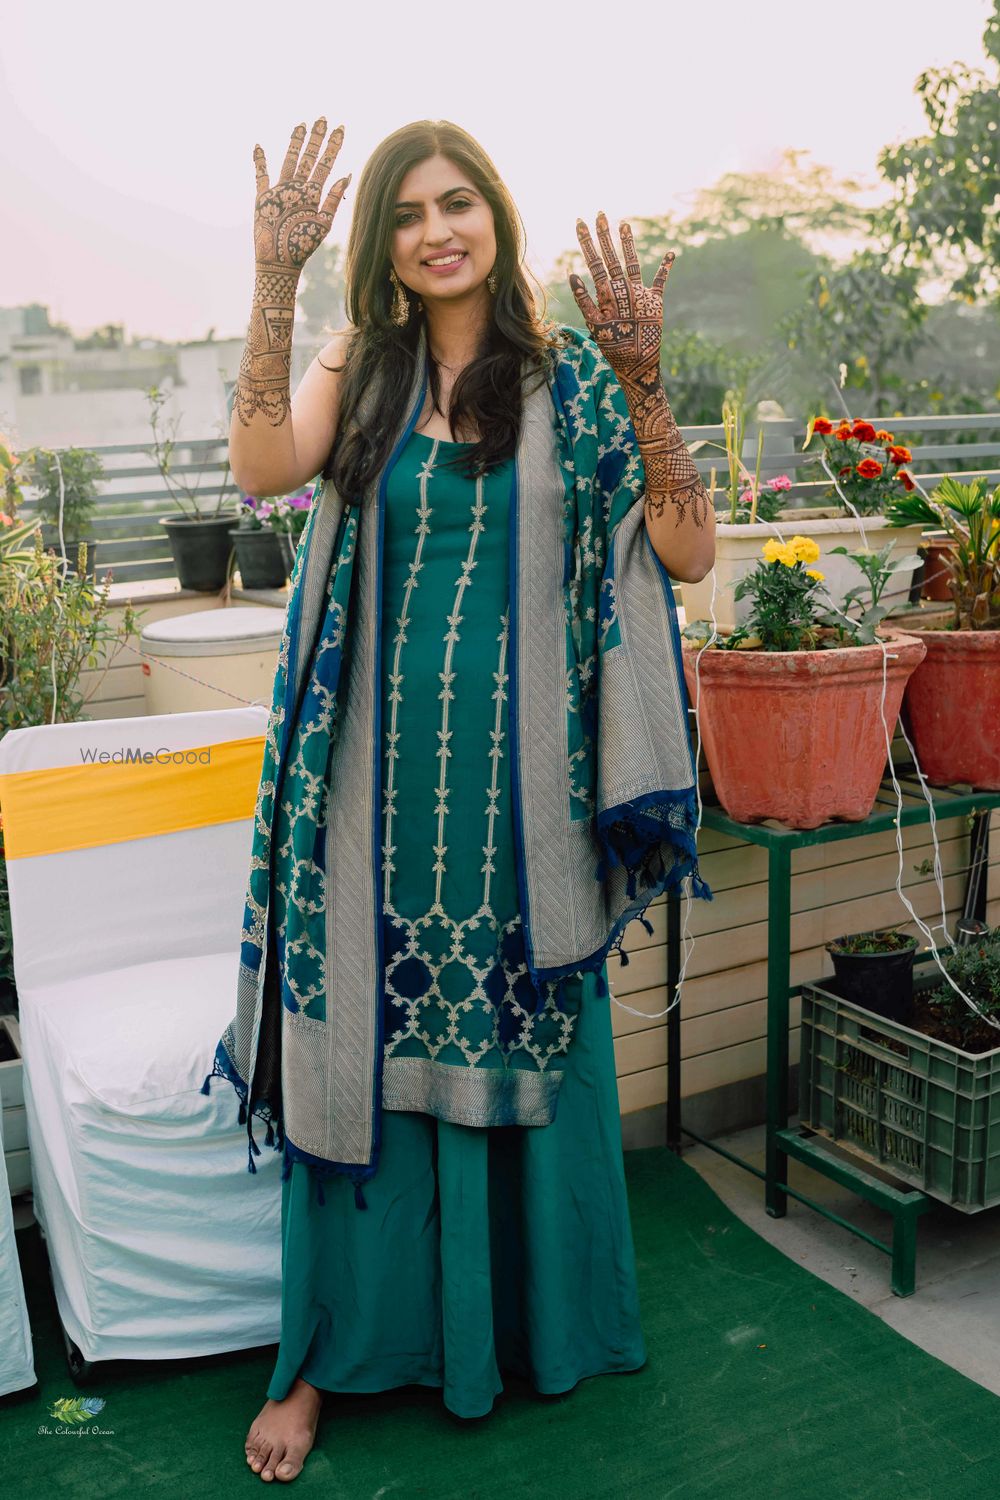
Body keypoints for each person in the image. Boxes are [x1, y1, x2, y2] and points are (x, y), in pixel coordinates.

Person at [219, 115, 716, 1484]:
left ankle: (534, 1328)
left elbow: (684, 551)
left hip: (526, 805)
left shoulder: (575, 382)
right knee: (357, 1062)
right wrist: (275, 282)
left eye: (459, 203)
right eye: (407, 213)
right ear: (381, 240)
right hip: (364, 791)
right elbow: (263, 470)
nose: (437, 229)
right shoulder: (359, 370)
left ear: (496, 216)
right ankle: (319, 1362)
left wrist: (650, 387)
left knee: (522, 1047)